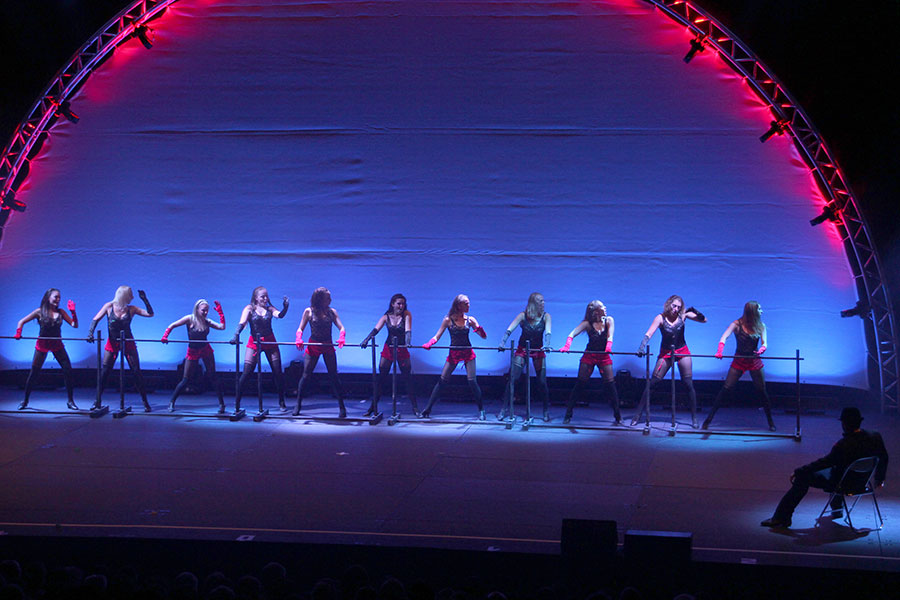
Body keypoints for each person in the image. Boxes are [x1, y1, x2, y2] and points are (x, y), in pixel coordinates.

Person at [761, 407, 888, 528]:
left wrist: (799, 471)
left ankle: (781, 517)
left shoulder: (843, 445)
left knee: (803, 478)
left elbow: (824, 463)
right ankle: (837, 509)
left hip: (843, 484)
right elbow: (884, 457)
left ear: (844, 424)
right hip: (862, 482)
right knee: (840, 470)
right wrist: (879, 478)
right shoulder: (875, 436)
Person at [632, 295, 706, 427]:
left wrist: (694, 311)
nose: (675, 309)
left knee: (688, 384)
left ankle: (694, 418)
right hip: (666, 353)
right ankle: (637, 415)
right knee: (652, 383)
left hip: (682, 351)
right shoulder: (660, 318)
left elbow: (704, 320)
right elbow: (649, 333)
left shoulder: (683, 315)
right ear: (668, 304)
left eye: (678, 307)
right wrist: (641, 347)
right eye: (674, 306)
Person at [702, 301, 774, 431]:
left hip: (754, 360)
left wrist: (762, 349)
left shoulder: (761, 326)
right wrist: (719, 351)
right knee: (726, 388)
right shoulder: (737, 324)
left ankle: (771, 422)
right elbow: (724, 337)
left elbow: (765, 343)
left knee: (762, 391)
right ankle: (708, 419)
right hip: (739, 360)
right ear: (752, 311)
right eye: (759, 309)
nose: (762, 311)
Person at [87, 286, 154, 411]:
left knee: (136, 371)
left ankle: (145, 402)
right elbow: (95, 319)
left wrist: (145, 300)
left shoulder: (132, 309)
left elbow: (150, 314)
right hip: (112, 342)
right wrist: (90, 333)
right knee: (105, 372)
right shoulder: (109, 306)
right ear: (124, 295)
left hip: (128, 342)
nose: (132, 297)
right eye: (130, 295)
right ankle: (97, 401)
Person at [421, 294, 487, 419]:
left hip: (467, 353)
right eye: (466, 303)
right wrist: (430, 343)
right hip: (454, 353)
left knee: (472, 381)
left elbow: (483, 337)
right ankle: (427, 409)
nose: (469, 305)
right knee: (442, 381)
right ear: (459, 305)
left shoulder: (470, 320)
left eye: (468, 303)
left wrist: (480, 329)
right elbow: (437, 336)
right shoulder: (448, 320)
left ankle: (482, 410)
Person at [14, 288, 79, 410]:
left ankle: (70, 401)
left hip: (57, 344)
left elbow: (74, 325)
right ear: (48, 297)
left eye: (59, 297)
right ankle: (25, 401)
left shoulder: (61, 312)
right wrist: (18, 332)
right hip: (42, 344)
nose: (58, 299)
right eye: (55, 297)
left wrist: (73, 313)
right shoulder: (40, 311)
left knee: (68, 371)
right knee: (34, 373)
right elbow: (21, 321)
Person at [559, 300, 621, 425]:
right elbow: (572, 334)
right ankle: (568, 414)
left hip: (603, 356)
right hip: (590, 355)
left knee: (610, 385)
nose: (605, 308)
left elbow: (610, 335)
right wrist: (567, 345)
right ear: (596, 311)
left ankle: (618, 416)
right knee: (580, 384)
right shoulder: (587, 324)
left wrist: (608, 347)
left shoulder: (609, 320)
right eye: (602, 306)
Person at [230, 287, 289, 414]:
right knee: (246, 373)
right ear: (256, 297)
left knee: (278, 373)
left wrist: (285, 308)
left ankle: (281, 401)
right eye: (263, 296)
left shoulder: (270, 309)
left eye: (267, 296)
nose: (265, 299)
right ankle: (237, 403)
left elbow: (279, 315)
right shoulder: (249, 309)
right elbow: (242, 323)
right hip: (254, 341)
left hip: (270, 341)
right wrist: (236, 335)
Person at [161, 299, 227, 413]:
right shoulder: (189, 319)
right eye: (203, 310)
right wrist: (165, 335)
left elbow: (222, 327)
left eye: (207, 310)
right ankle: (172, 402)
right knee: (186, 379)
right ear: (197, 309)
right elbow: (172, 325)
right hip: (193, 350)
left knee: (213, 376)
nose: (205, 312)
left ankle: (222, 404)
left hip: (205, 349)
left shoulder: (207, 321)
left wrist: (220, 313)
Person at [360, 293, 419, 417]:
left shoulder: (407, 315)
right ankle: (372, 408)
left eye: (403, 304)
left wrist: (408, 342)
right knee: (381, 379)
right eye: (399, 303)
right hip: (389, 348)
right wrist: (366, 340)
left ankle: (415, 408)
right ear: (393, 304)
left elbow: (408, 331)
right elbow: (375, 330)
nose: (401, 306)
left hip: (401, 348)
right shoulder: (386, 316)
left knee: (408, 379)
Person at [497, 292, 551, 422]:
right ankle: (503, 409)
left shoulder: (546, 316)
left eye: (543, 301)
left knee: (542, 382)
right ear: (533, 303)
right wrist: (502, 343)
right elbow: (509, 330)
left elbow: (548, 333)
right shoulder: (523, 316)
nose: (543, 303)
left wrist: (547, 345)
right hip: (522, 350)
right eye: (540, 301)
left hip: (537, 350)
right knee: (513, 379)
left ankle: (545, 410)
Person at [294, 287, 347, 417]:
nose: (330, 300)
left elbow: (341, 327)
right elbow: (300, 328)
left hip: (327, 345)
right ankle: (298, 405)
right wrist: (299, 338)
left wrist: (342, 336)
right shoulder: (309, 311)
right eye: (328, 298)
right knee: (306, 375)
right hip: (314, 345)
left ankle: (342, 407)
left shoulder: (332, 312)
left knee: (334, 376)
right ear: (320, 299)